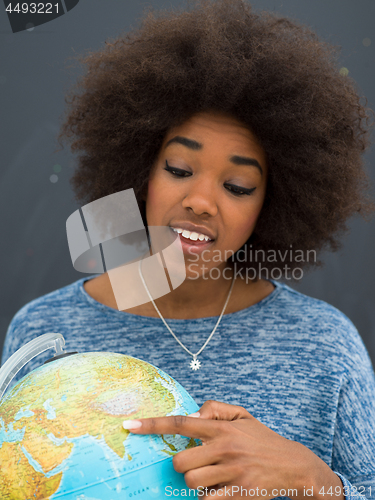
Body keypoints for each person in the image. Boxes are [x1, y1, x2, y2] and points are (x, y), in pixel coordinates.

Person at [2, 0, 375, 498]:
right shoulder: (41, 331)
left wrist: (320, 483)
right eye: (179, 170)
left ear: (273, 204)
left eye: (238, 185)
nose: (200, 201)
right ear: (141, 174)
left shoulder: (325, 344)